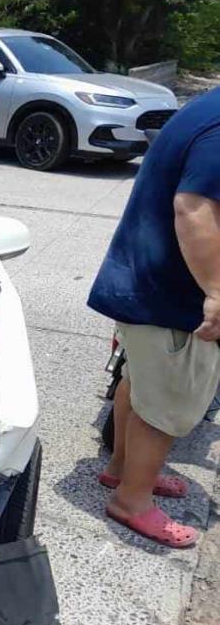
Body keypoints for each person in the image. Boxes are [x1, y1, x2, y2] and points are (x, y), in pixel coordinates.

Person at [87, 85, 220, 548]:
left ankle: (123, 469)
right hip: (172, 294)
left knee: (140, 384)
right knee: (167, 399)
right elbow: (195, 208)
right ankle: (133, 500)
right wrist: (217, 291)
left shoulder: (208, 105)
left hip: (142, 280)